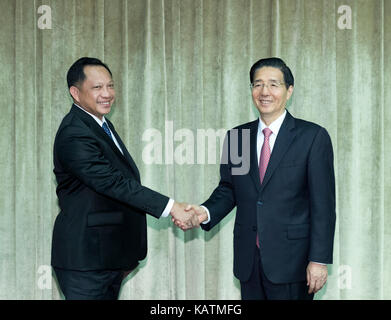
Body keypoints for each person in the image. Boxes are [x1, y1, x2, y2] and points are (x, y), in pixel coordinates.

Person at [178, 57, 336, 300]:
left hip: (293, 262)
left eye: (274, 84)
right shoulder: (237, 137)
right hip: (249, 260)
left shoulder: (312, 137)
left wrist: (319, 259)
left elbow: (323, 205)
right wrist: (204, 212)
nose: (265, 92)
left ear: (289, 90)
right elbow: (229, 189)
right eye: (257, 84)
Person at [51, 57, 198, 300]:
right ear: (75, 93)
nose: (107, 94)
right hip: (85, 260)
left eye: (110, 86)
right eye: (97, 88)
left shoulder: (99, 124)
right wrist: (172, 207)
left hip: (106, 257)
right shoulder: (74, 133)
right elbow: (113, 183)